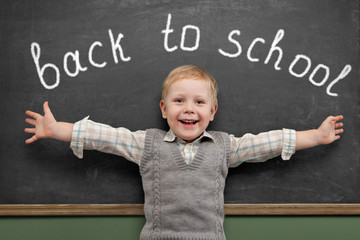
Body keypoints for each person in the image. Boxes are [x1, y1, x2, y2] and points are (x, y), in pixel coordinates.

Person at [25, 65, 343, 240]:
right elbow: (105, 136)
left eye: (198, 102)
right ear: (164, 109)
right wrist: (57, 129)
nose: (188, 109)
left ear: (212, 111)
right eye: (179, 101)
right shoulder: (146, 144)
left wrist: (315, 136)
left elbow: (267, 143)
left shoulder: (224, 146)